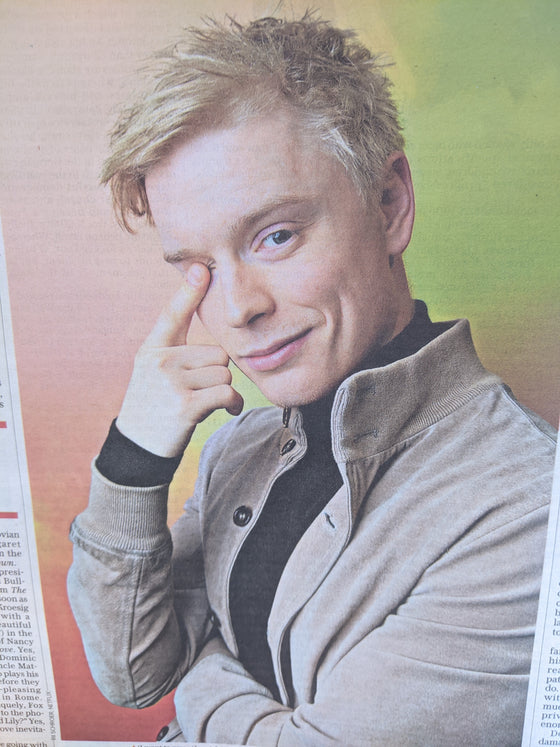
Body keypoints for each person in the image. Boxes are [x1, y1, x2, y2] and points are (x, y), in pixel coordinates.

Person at [67, 14, 556, 745]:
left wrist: (197, 667)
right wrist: (133, 460)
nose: (238, 309)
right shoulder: (240, 447)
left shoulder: (526, 508)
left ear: (389, 205)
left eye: (276, 236)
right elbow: (133, 670)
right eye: (198, 267)